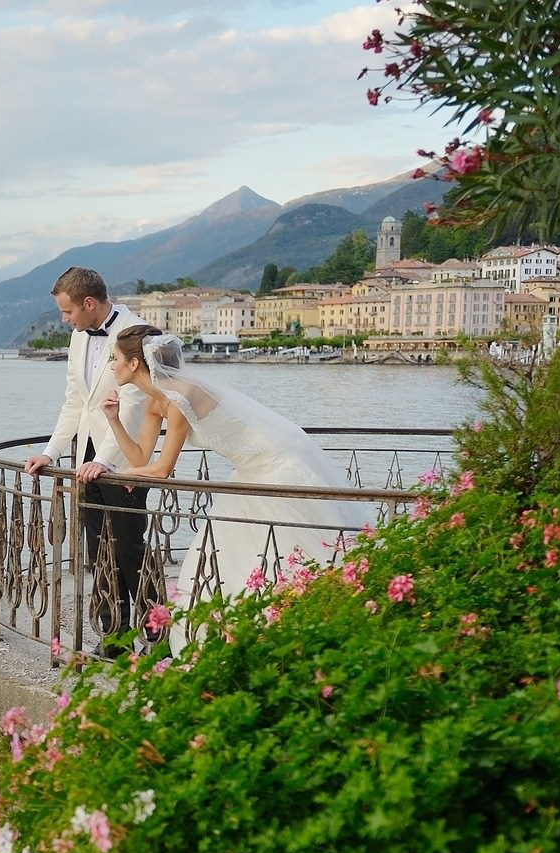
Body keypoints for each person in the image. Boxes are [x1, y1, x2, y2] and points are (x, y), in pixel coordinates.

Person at [95, 324, 370, 604]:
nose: (112, 366)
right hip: (249, 470)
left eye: (114, 359)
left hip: (274, 463)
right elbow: (141, 458)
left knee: (302, 543)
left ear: (133, 363)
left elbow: (162, 470)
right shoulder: (155, 402)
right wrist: (113, 419)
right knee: (232, 549)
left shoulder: (178, 397)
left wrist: (128, 473)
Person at [22, 266, 149, 645]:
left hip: (125, 458)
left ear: (88, 303)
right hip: (85, 457)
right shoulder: (80, 337)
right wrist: (51, 452)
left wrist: (106, 460)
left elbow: (136, 403)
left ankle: (155, 627)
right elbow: (75, 401)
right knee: (98, 550)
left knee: (129, 548)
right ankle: (114, 635)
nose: (65, 320)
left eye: (68, 312)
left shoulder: (135, 332)